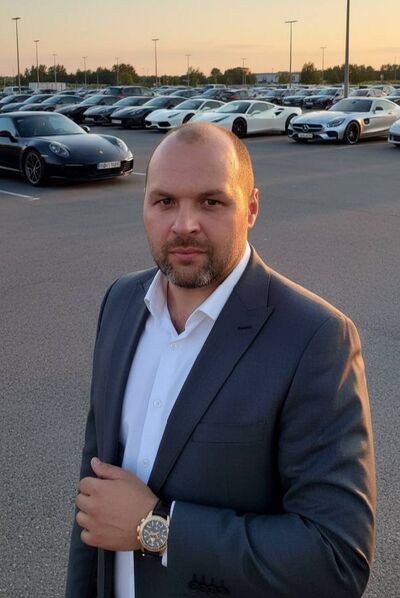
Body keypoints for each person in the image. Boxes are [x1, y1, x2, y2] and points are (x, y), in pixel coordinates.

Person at [66, 123, 375, 598]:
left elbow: (336, 559)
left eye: (211, 202)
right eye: (164, 201)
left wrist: (157, 528)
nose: (184, 224)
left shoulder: (315, 338)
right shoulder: (121, 302)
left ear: (251, 207)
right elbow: (96, 492)